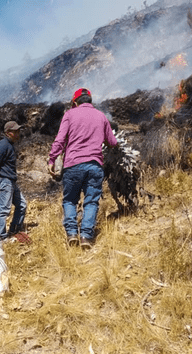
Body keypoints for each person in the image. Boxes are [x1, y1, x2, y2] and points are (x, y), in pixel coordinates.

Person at [47, 88, 118, 249]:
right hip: (94, 165)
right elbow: (112, 142)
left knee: (70, 200)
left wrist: (52, 159)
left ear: (74, 102)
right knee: (91, 202)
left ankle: (72, 234)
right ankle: (86, 236)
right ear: (90, 101)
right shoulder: (101, 116)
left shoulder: (69, 115)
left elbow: (60, 140)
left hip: (73, 165)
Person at [0, 121, 28, 242]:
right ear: (8, 133)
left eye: (18, 130)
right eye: (16, 131)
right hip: (5, 181)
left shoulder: (9, 145)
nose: (18, 133)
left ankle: (15, 230)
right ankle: (1, 237)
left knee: (22, 205)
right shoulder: (3, 145)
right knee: (4, 209)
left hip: (11, 181)